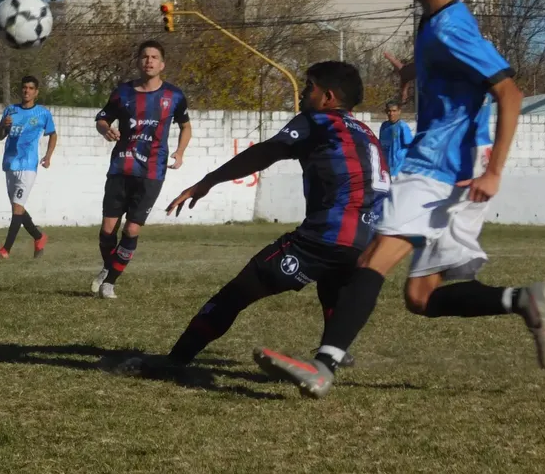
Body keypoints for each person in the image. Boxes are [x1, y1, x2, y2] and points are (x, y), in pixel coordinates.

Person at [254, 0, 545, 398]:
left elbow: (509, 92)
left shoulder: (451, 28)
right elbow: (455, 65)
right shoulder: (434, 25)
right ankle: (522, 300)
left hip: (442, 164)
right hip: (454, 167)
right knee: (420, 297)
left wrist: (494, 170)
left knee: (375, 257)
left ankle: (324, 366)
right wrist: (415, 73)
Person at [150, 61, 388, 370]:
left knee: (237, 293)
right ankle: (331, 355)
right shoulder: (366, 131)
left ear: (328, 97)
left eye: (309, 86)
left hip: (327, 234)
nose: (302, 92)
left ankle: (174, 361)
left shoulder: (318, 121)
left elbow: (266, 151)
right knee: (333, 283)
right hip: (370, 241)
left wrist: (208, 181)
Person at [90, 40, 192, 299]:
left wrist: (180, 152)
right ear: (138, 61)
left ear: (162, 64)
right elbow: (102, 118)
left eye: (154, 57)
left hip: (152, 171)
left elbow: (186, 126)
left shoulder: (174, 96)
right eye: (145, 56)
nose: (149, 60)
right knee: (107, 229)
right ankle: (107, 266)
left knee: (132, 229)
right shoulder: (122, 92)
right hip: (120, 167)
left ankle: (110, 282)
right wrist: (105, 129)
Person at [0, 75, 56, 259]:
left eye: (30, 88)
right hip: (10, 164)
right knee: (17, 208)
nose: (26, 91)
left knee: (17, 209)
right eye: (24, 87)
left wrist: (48, 156)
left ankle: (5, 250)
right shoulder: (10, 111)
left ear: (36, 92)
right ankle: (39, 236)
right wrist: (4, 126)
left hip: (28, 166)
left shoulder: (42, 114)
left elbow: (53, 134)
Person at [379, 99, 413, 175]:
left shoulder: (403, 126)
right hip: (385, 168)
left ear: (399, 111)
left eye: (394, 111)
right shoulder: (384, 126)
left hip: (398, 170)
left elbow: (411, 147)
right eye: (389, 111)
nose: (391, 113)